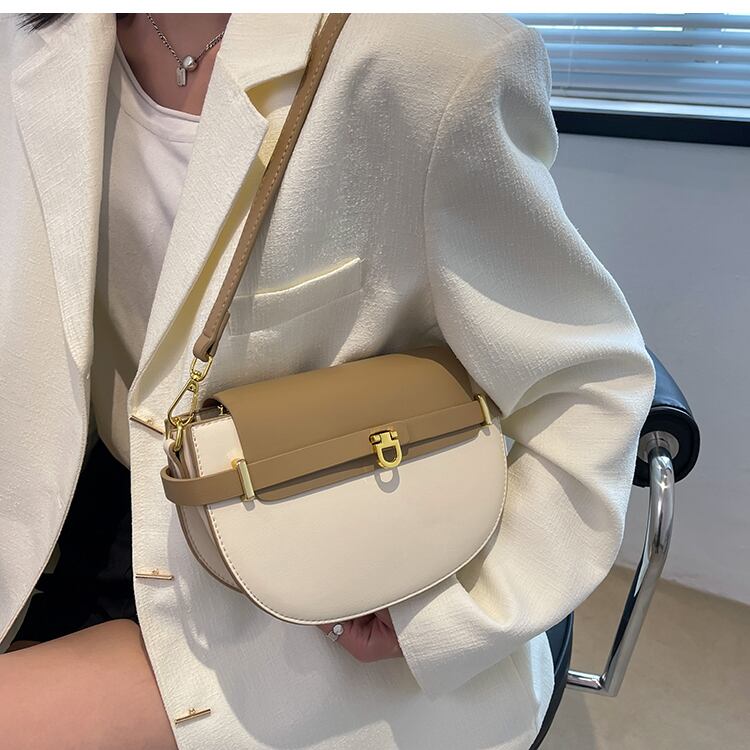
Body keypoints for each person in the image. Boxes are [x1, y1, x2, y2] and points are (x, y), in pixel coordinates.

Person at [0, 12, 656, 750]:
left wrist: (451, 616)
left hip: (311, 583)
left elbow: (589, 386)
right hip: (79, 507)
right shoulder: (39, 36)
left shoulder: (431, 59)